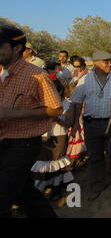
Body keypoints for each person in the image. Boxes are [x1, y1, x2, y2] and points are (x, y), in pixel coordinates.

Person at [0, 24, 63, 218]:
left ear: (16, 48)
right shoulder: (2, 72)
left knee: (3, 195)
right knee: (24, 193)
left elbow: (56, 108)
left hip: (24, 143)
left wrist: (13, 113)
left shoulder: (36, 76)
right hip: (3, 140)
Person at [70, 51, 111, 201]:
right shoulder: (84, 80)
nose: (109, 64)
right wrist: (74, 124)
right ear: (95, 63)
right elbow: (76, 102)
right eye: (105, 61)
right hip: (91, 124)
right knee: (95, 156)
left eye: (110, 61)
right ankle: (98, 185)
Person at [31, 62, 75, 199]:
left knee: (57, 162)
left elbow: (68, 123)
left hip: (59, 136)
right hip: (43, 136)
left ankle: (56, 188)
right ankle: (40, 188)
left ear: (60, 91)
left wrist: (56, 119)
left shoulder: (67, 104)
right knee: (42, 162)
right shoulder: (40, 105)